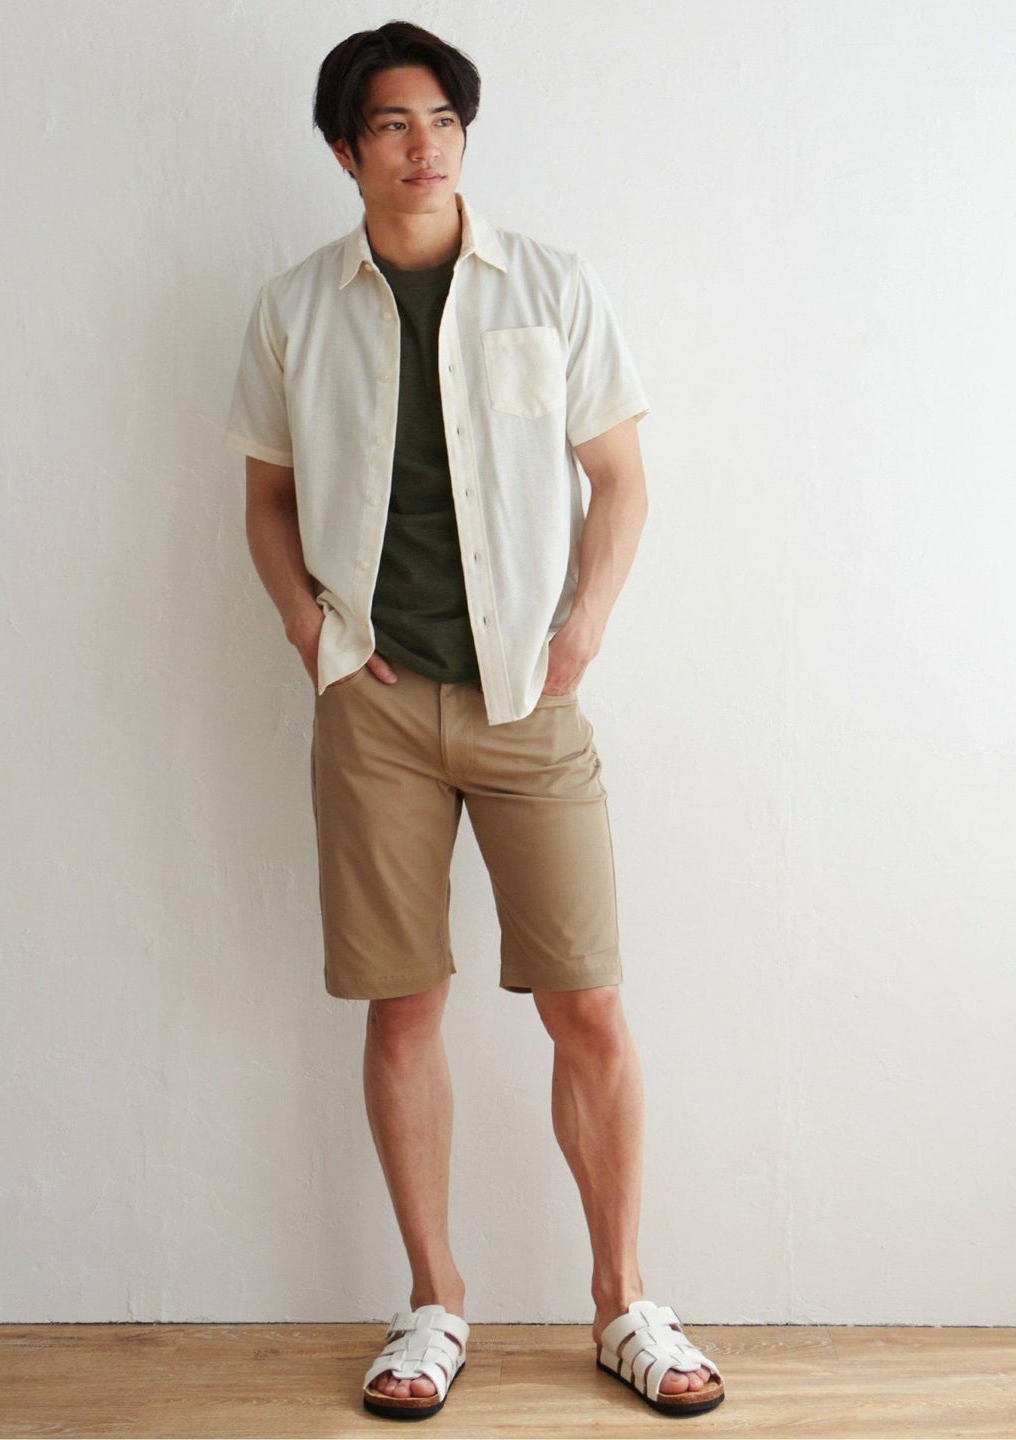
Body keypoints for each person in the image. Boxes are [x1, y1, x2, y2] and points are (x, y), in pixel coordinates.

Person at [222, 19, 725, 1423]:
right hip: (372, 706)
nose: (424, 144)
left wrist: (583, 629)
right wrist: (310, 634)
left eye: (443, 118)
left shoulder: (551, 288)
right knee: (404, 1004)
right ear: (345, 149)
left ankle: (623, 1302)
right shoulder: (294, 308)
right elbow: (265, 498)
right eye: (392, 122)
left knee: (590, 1005)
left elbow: (621, 478)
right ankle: (434, 1304)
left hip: (528, 703)